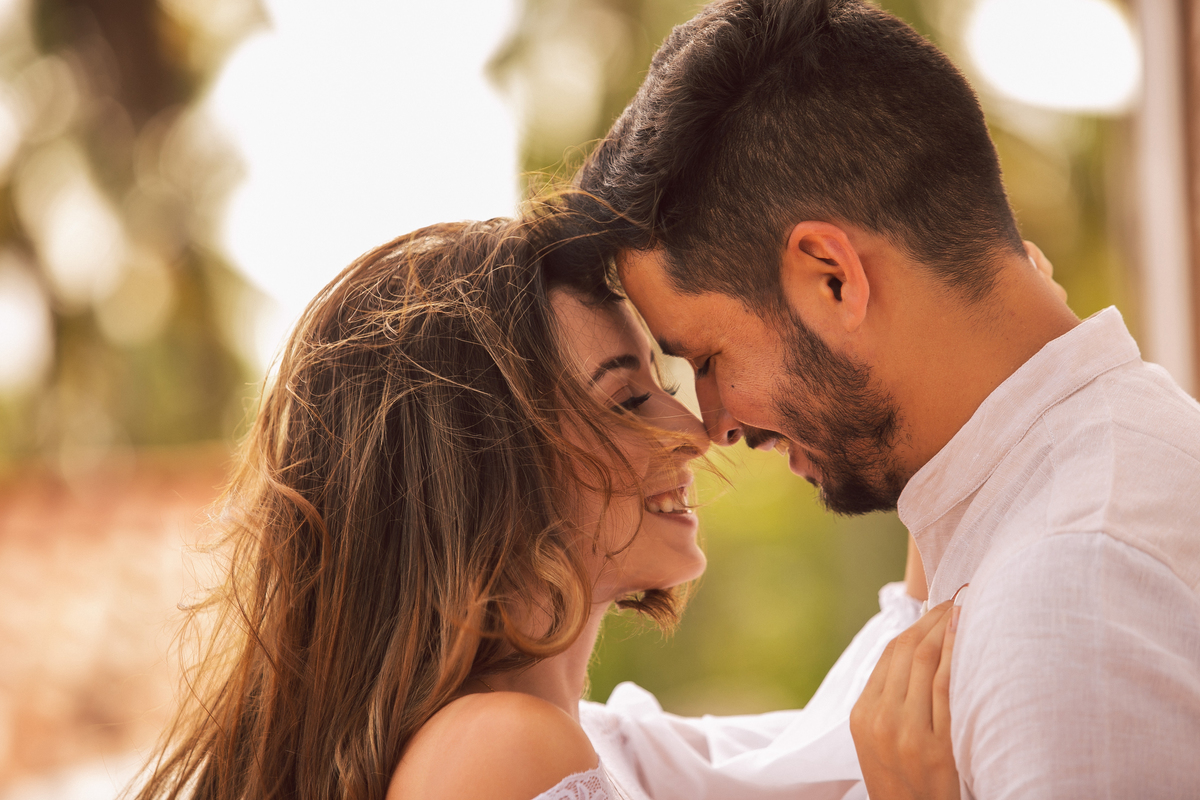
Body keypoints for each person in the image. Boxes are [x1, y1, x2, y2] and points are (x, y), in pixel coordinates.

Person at [573, 0, 1200, 797]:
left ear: (832, 278)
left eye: (707, 358)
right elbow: (769, 768)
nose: (715, 422)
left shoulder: (1069, 592)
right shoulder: (1049, 506)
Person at [127, 213, 958, 800]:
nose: (695, 433)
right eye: (628, 400)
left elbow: (831, 744)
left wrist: (944, 382)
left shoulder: (579, 743)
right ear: (488, 471)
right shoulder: (499, 754)